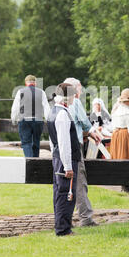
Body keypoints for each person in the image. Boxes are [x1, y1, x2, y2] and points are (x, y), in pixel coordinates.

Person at [63, 77, 100, 227]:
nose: (81, 91)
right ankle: (86, 218)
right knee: (79, 181)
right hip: (75, 146)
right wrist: (92, 132)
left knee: (65, 183)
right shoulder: (75, 103)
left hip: (62, 147)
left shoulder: (58, 105)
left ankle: (65, 217)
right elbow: (84, 123)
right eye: (79, 88)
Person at [47, 83, 80, 236]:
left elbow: (53, 141)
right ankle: (63, 229)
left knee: (60, 192)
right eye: (73, 95)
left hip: (58, 157)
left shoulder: (54, 110)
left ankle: (62, 226)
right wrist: (67, 166)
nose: (75, 98)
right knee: (66, 193)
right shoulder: (62, 114)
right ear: (69, 97)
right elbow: (64, 143)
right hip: (65, 159)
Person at [11, 75, 51, 157]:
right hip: (38, 120)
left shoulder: (20, 92)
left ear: (26, 83)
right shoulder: (42, 92)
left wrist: (14, 119)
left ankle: (29, 161)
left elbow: (15, 107)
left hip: (24, 120)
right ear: (35, 83)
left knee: (26, 143)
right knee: (36, 142)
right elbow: (46, 107)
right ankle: (36, 162)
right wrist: (48, 119)